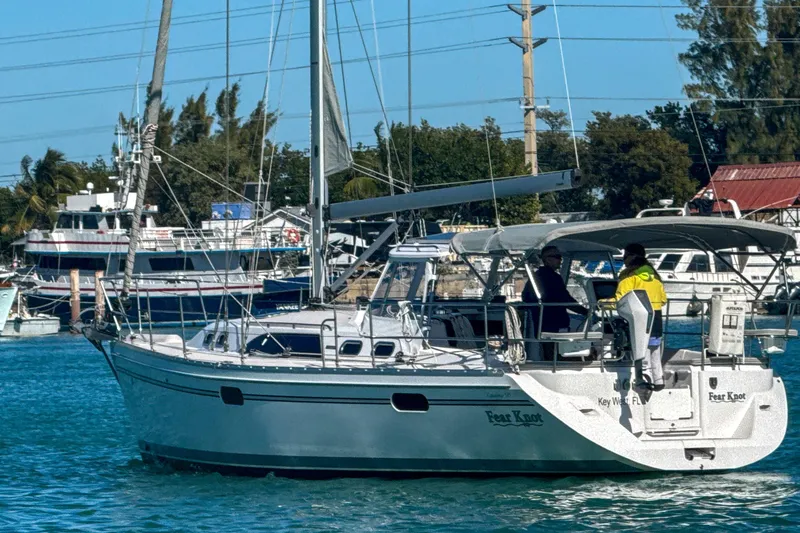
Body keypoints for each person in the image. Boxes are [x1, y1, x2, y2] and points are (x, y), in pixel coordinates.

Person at [614, 243, 668, 391]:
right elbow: (663, 299)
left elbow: (620, 300)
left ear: (632, 257)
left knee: (641, 351)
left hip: (639, 319)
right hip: (656, 318)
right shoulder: (654, 276)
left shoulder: (629, 277)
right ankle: (658, 381)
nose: (624, 260)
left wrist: (601, 302)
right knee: (654, 350)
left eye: (625, 256)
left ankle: (644, 381)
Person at [522, 245, 589, 361]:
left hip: (541, 324)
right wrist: (586, 312)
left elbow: (525, 296)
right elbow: (565, 299)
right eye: (557, 257)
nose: (560, 260)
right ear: (547, 259)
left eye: (560, 257)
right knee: (556, 355)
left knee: (548, 354)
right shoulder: (553, 278)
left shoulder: (536, 276)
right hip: (554, 325)